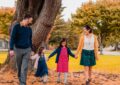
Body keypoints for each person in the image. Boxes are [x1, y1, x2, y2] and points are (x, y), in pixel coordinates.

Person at [9, 14, 33, 85]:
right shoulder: (16, 27)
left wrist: (32, 49)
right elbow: (12, 38)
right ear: (27, 19)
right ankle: (21, 80)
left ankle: (23, 83)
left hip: (27, 50)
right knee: (19, 68)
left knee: (24, 68)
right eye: (31, 20)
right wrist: (11, 49)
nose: (31, 21)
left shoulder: (29, 29)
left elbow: (30, 40)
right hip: (18, 50)